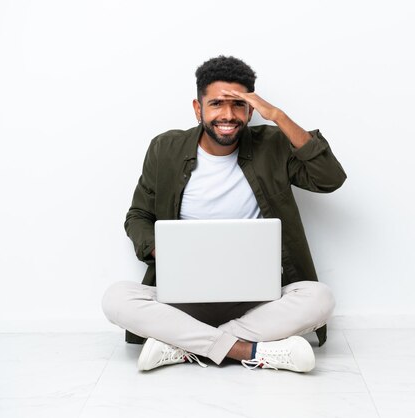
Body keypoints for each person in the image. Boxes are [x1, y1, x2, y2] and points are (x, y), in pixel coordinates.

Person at [101, 56, 346, 373]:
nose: (228, 115)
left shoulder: (272, 144)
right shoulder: (165, 149)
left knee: (320, 298)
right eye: (216, 104)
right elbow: (137, 216)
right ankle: (250, 350)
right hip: (184, 299)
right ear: (197, 107)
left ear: (251, 110)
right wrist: (161, 250)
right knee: (116, 298)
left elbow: (330, 179)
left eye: (238, 105)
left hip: (257, 300)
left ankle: (184, 346)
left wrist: (279, 117)